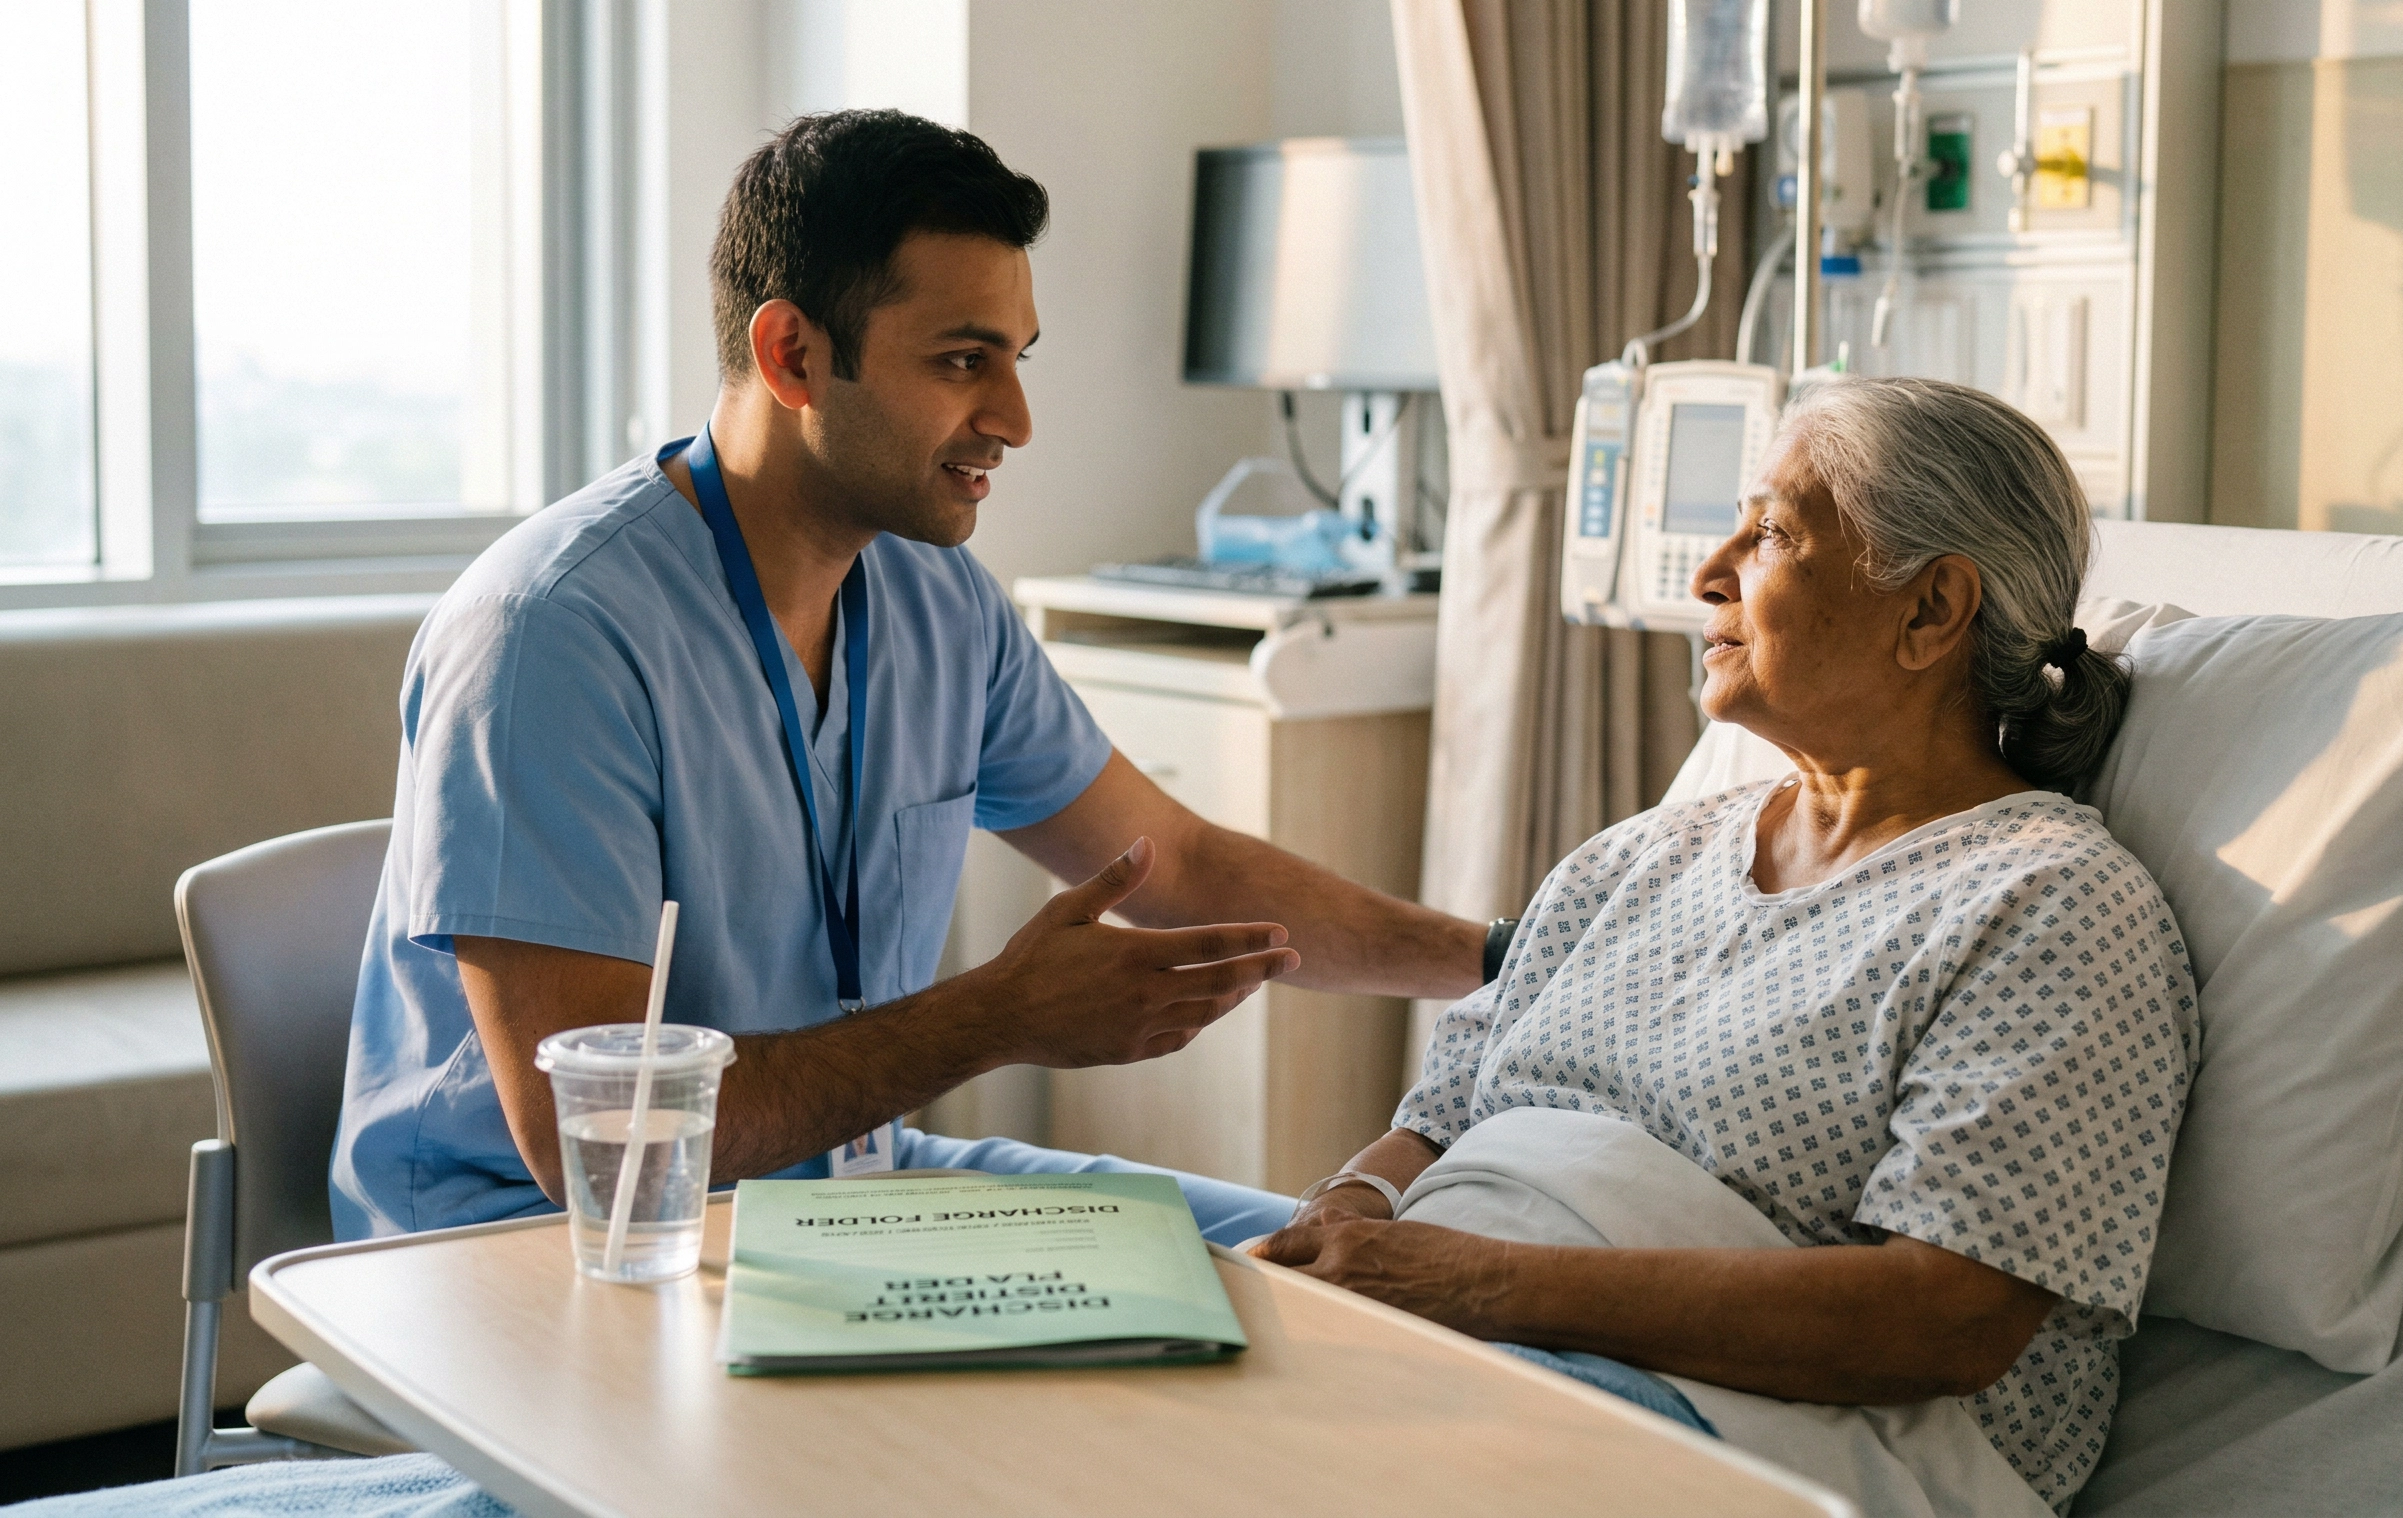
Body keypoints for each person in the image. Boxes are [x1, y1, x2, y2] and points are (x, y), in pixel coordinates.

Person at [331, 109, 1483, 1250]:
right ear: (792, 354)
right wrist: (994, 1018)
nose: (1015, 420)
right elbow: (605, 1142)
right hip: (539, 1246)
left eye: (1016, 361)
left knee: (1340, 1272)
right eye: (962, 360)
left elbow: (1172, 863)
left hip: (842, 1183)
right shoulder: (550, 636)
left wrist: (1496, 960)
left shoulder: (940, 603)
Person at [1256, 377, 2200, 1515]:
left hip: (1745, 1429)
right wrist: (1349, 1212)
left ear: (1931, 610)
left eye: (1768, 533)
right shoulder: (1636, 857)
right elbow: (1439, 1118)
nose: (1707, 574)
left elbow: (1940, 1323)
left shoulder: (2047, 906)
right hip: (1455, 1321)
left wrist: (1474, 1280)